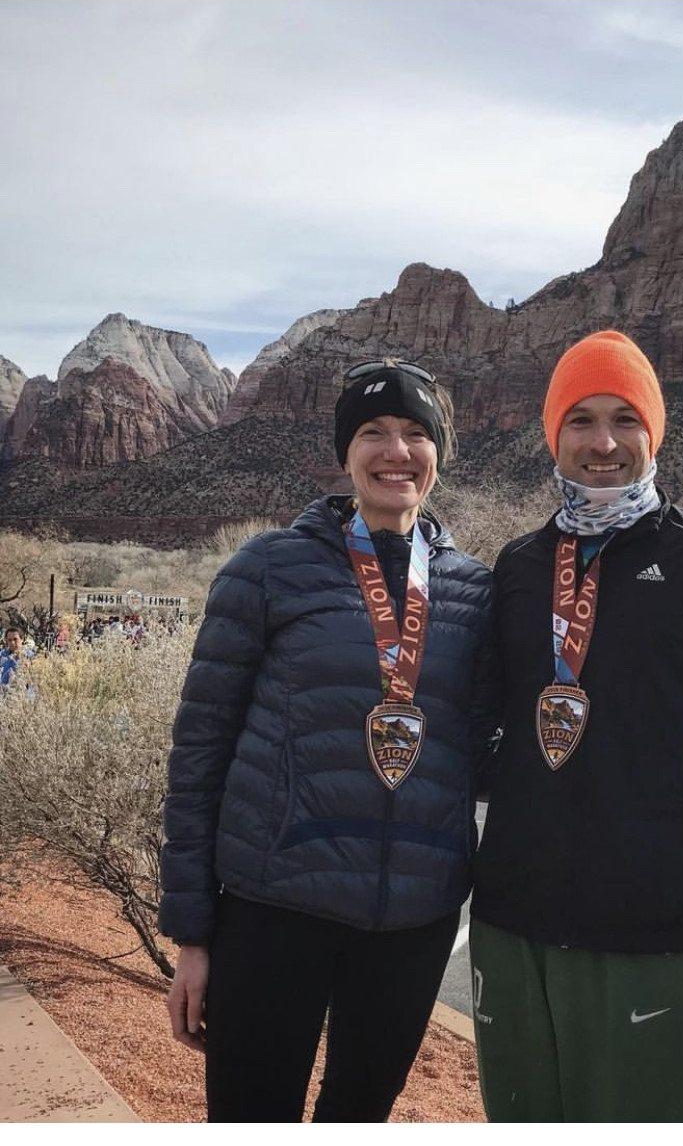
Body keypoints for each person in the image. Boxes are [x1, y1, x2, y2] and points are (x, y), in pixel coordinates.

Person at [470, 330, 683, 1122]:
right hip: (513, 926)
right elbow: (488, 735)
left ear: (653, 432)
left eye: (625, 419)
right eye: (581, 420)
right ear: (553, 433)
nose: (603, 443)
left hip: (652, 935)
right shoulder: (520, 566)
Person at [160, 358, 498, 1122]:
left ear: (439, 452)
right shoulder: (270, 569)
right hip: (276, 907)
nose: (395, 452)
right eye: (373, 433)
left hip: (412, 920)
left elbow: (481, 751)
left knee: (360, 1113)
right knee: (251, 1114)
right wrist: (192, 935)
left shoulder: (476, 591)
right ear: (345, 454)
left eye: (416, 434)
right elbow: (200, 752)